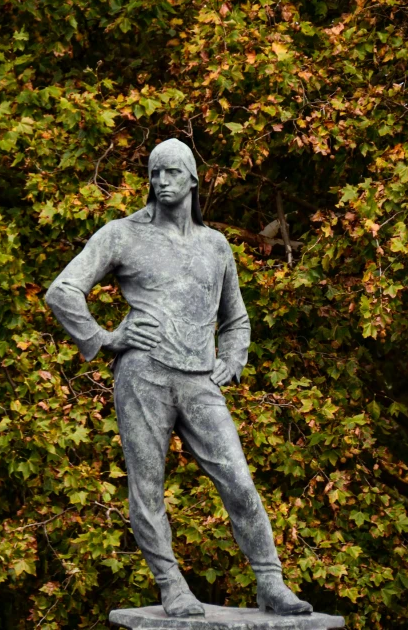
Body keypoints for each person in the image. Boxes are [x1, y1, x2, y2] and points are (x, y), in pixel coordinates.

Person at [45, 138, 312, 618]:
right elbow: (63, 291)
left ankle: (270, 582)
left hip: (199, 381)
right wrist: (104, 337)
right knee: (147, 486)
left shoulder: (215, 245)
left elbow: (237, 320)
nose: (162, 182)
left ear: (192, 179)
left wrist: (231, 360)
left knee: (238, 480)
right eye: (155, 173)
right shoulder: (121, 235)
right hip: (143, 375)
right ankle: (172, 585)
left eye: (171, 172)